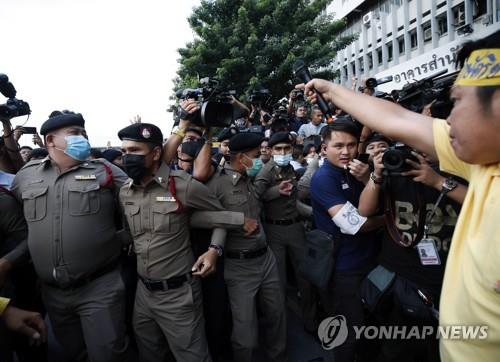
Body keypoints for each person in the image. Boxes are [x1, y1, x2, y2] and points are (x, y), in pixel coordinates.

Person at [301, 30, 499, 361]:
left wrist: (435, 184)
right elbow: (396, 120)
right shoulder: (484, 165)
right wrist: (331, 89)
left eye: (458, 101)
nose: (447, 119)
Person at [117, 123, 254, 362]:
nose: (127, 158)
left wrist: (214, 249)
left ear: (156, 153)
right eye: (124, 152)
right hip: (143, 294)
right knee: (150, 354)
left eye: (134, 151)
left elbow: (219, 215)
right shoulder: (126, 192)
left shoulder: (183, 185)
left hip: (178, 295)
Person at [11, 111, 132, 362]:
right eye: (74, 133)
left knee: (108, 354)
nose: (82, 138)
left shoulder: (105, 171)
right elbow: (19, 226)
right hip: (53, 293)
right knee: (74, 353)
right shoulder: (27, 176)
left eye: (83, 133)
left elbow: (143, 202)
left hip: (99, 287)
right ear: (50, 141)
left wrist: (119, 240)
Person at [207, 132, 287, 362]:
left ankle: (278, 357)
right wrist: (236, 221)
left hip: (266, 258)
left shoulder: (249, 180)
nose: (260, 159)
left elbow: (256, 202)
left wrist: (276, 191)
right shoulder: (218, 185)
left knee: (277, 315)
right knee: (246, 335)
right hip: (240, 265)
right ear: (242, 158)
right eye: (256, 155)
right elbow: (199, 217)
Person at [310, 122, 383, 362]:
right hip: (345, 268)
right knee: (349, 331)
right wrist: (390, 220)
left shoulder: (359, 171)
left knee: (373, 325)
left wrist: (367, 180)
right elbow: (355, 225)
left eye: (351, 145)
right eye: (338, 145)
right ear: (324, 148)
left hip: (373, 261)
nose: (345, 151)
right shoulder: (323, 178)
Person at [254, 131, 316, 332]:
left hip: (295, 228)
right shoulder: (266, 171)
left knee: (305, 277)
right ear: (271, 151)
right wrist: (275, 191)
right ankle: (281, 328)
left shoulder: (291, 169)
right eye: (278, 149)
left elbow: (294, 203)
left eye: (286, 148)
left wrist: (315, 214)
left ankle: (310, 320)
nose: (283, 152)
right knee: (277, 282)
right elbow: (254, 198)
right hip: (274, 231)